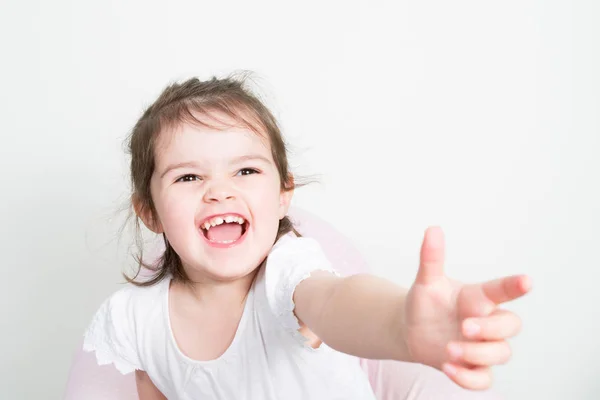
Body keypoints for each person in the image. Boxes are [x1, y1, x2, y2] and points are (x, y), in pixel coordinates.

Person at [83, 74, 531, 399]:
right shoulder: (134, 318)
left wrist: (400, 325)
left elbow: (338, 301)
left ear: (283, 194)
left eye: (245, 170)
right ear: (151, 213)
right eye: (188, 177)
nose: (219, 191)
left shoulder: (287, 274)